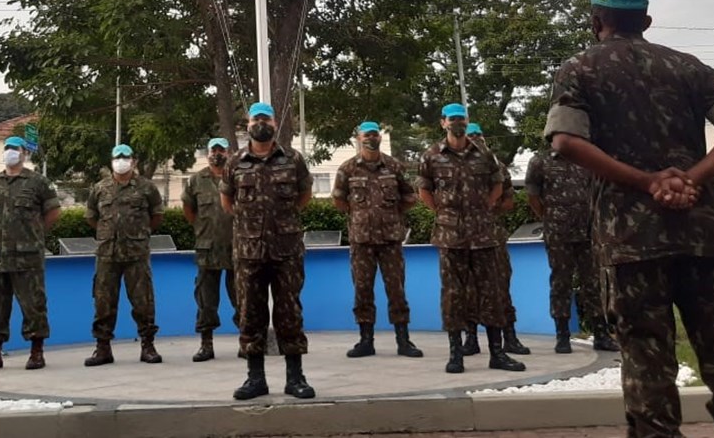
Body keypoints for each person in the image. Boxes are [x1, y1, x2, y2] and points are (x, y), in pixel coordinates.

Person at [544, 0, 714, 438]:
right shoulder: (687, 67)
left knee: (647, 353)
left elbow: (567, 141)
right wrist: (695, 176)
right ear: (646, 23)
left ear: (596, 23)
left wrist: (647, 181)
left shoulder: (579, 68)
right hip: (708, 233)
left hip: (633, 240)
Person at [418, 104, 525, 375]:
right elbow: (424, 190)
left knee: (492, 293)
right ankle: (457, 354)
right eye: (452, 119)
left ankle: (497, 353)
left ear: (467, 121)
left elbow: (498, 184)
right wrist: (443, 213)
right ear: (443, 122)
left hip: (483, 235)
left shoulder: (484, 154)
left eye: (461, 119)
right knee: (453, 295)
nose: (457, 123)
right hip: (450, 236)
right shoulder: (431, 155)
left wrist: (483, 209)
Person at [221, 102, 316, 400]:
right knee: (251, 314)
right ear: (247, 124)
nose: (261, 122)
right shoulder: (235, 161)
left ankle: (295, 377)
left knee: (290, 313)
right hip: (249, 252)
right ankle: (255, 378)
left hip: (286, 250)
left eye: (267, 118)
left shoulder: (292, 158)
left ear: (275, 123)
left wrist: (281, 221)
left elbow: (304, 195)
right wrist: (251, 222)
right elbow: (228, 202)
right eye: (255, 118)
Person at [332, 121, 422, 358]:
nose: (371, 138)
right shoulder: (348, 168)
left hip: (390, 241)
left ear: (380, 138)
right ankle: (365, 340)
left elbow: (410, 196)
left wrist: (392, 214)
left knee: (397, 290)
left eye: (375, 134)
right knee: (362, 290)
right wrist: (360, 215)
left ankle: (404, 341)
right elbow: (339, 200)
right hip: (362, 242)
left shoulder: (393, 166)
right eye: (366, 135)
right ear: (358, 138)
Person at [0, 134, 61, 372]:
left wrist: (33, 232)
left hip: (27, 256)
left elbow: (53, 212)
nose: (10, 152)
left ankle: (36, 352)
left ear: (24, 153)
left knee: (33, 305)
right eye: (7, 148)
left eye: (15, 148)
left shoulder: (38, 183)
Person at [525, 145, 617, 353]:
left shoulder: (587, 158)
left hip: (587, 232)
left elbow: (598, 192)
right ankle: (562, 335)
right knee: (561, 283)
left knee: (593, 283)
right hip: (558, 234)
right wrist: (550, 220)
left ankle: (601, 334)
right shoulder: (540, 161)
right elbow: (533, 196)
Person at [84, 143, 165, 365]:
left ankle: (147, 346)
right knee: (103, 302)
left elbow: (156, 216)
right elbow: (92, 217)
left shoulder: (146, 187)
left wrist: (138, 233)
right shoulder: (99, 188)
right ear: (111, 161)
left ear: (134, 161)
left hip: (136, 254)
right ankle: (102, 349)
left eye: (125, 156)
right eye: (117, 156)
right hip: (107, 255)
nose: (121, 160)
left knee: (143, 302)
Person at [466, 122, 529, 358]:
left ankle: (509, 338)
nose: (475, 139)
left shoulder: (498, 167)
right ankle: (471, 339)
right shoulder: (457, 168)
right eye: (471, 136)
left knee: (501, 286)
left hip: (493, 237)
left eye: (479, 134)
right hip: (466, 238)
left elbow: (509, 202)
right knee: (469, 289)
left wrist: (488, 209)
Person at [181, 136, 239, 362]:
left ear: (229, 153)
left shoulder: (237, 177)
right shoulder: (197, 180)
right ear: (208, 154)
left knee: (242, 299)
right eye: (214, 150)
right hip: (207, 249)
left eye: (222, 151)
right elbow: (189, 210)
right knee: (205, 300)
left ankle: (247, 342)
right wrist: (202, 228)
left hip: (237, 247)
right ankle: (206, 344)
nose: (218, 154)